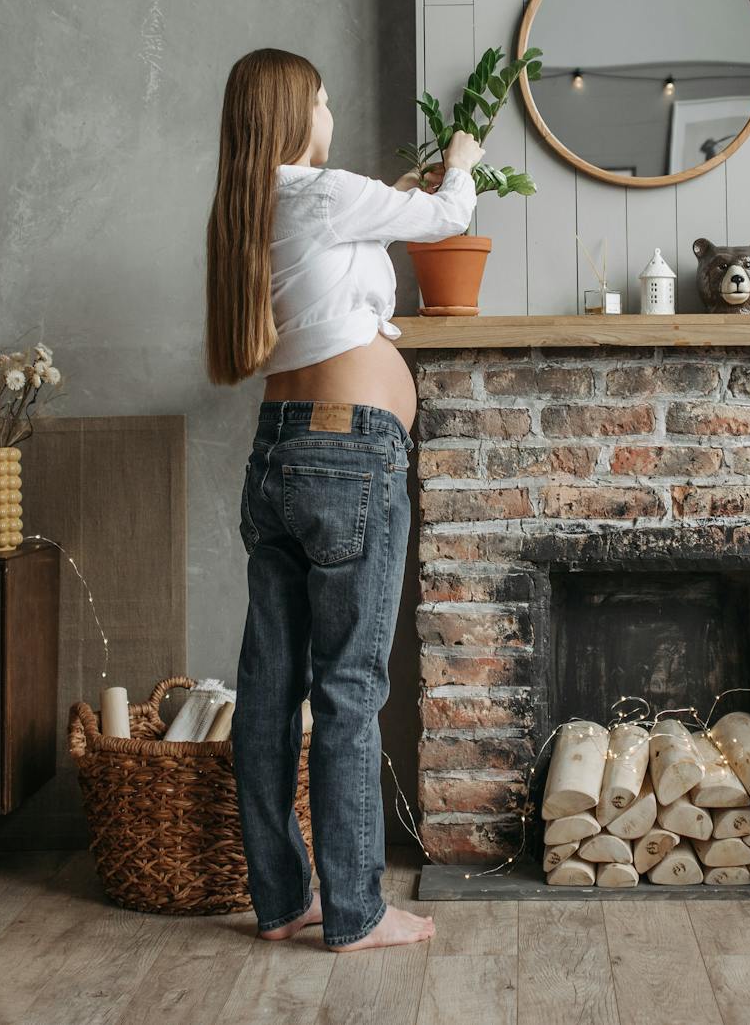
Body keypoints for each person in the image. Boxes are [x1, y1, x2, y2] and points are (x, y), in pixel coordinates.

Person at [204, 47, 482, 952]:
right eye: (322, 101)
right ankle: (356, 914)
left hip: (278, 455)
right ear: (295, 113)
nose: (331, 115)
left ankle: (283, 903)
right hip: (349, 457)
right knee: (351, 692)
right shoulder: (321, 189)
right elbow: (445, 219)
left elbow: (338, 279)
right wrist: (464, 163)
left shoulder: (255, 204)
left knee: (271, 692)